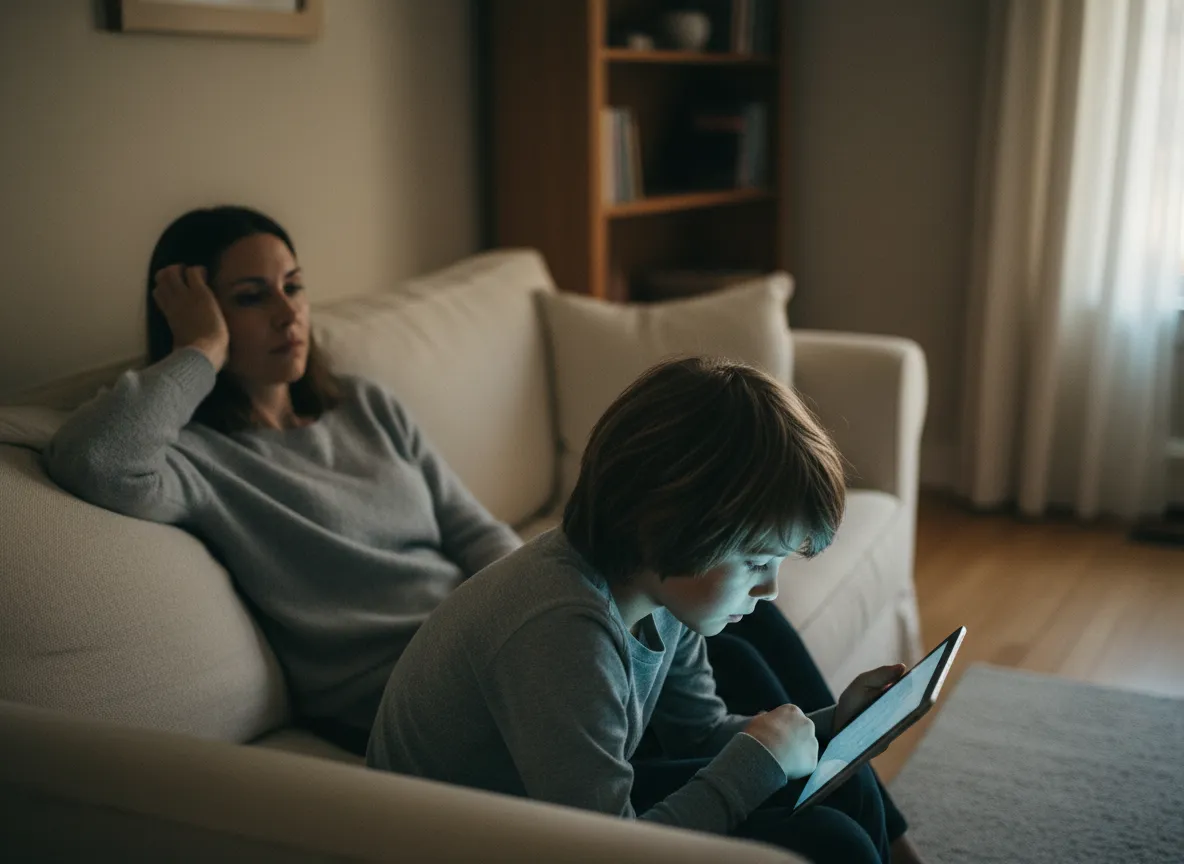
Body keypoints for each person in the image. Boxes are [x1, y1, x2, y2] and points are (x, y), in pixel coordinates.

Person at [46, 204, 924, 861]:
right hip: (428, 684)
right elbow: (96, 459)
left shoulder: (366, 410)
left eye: (294, 285)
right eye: (249, 297)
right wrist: (196, 351)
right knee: (794, 785)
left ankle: (893, 834)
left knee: (764, 673)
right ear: (200, 314)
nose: (287, 312)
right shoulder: (203, 458)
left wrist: (575, 592)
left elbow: (485, 542)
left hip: (517, 626)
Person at [367, 357, 911, 863]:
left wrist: (828, 725)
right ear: (667, 524)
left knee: (841, 778)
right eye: (754, 562)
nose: (770, 588)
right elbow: (609, 851)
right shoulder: (561, 630)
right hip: (475, 843)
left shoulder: (660, 592)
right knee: (830, 842)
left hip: (548, 817)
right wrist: (757, 764)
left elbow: (697, 733)